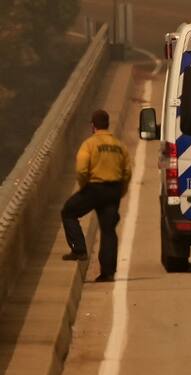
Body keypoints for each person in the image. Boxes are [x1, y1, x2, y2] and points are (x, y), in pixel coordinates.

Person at [61, 109, 132, 282]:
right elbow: (127, 172)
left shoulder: (89, 144)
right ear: (107, 124)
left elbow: (81, 169)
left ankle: (79, 249)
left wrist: (85, 186)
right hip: (113, 190)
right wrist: (120, 192)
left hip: (94, 189)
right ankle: (107, 273)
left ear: (93, 126)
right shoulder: (119, 146)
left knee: (69, 212)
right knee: (108, 230)